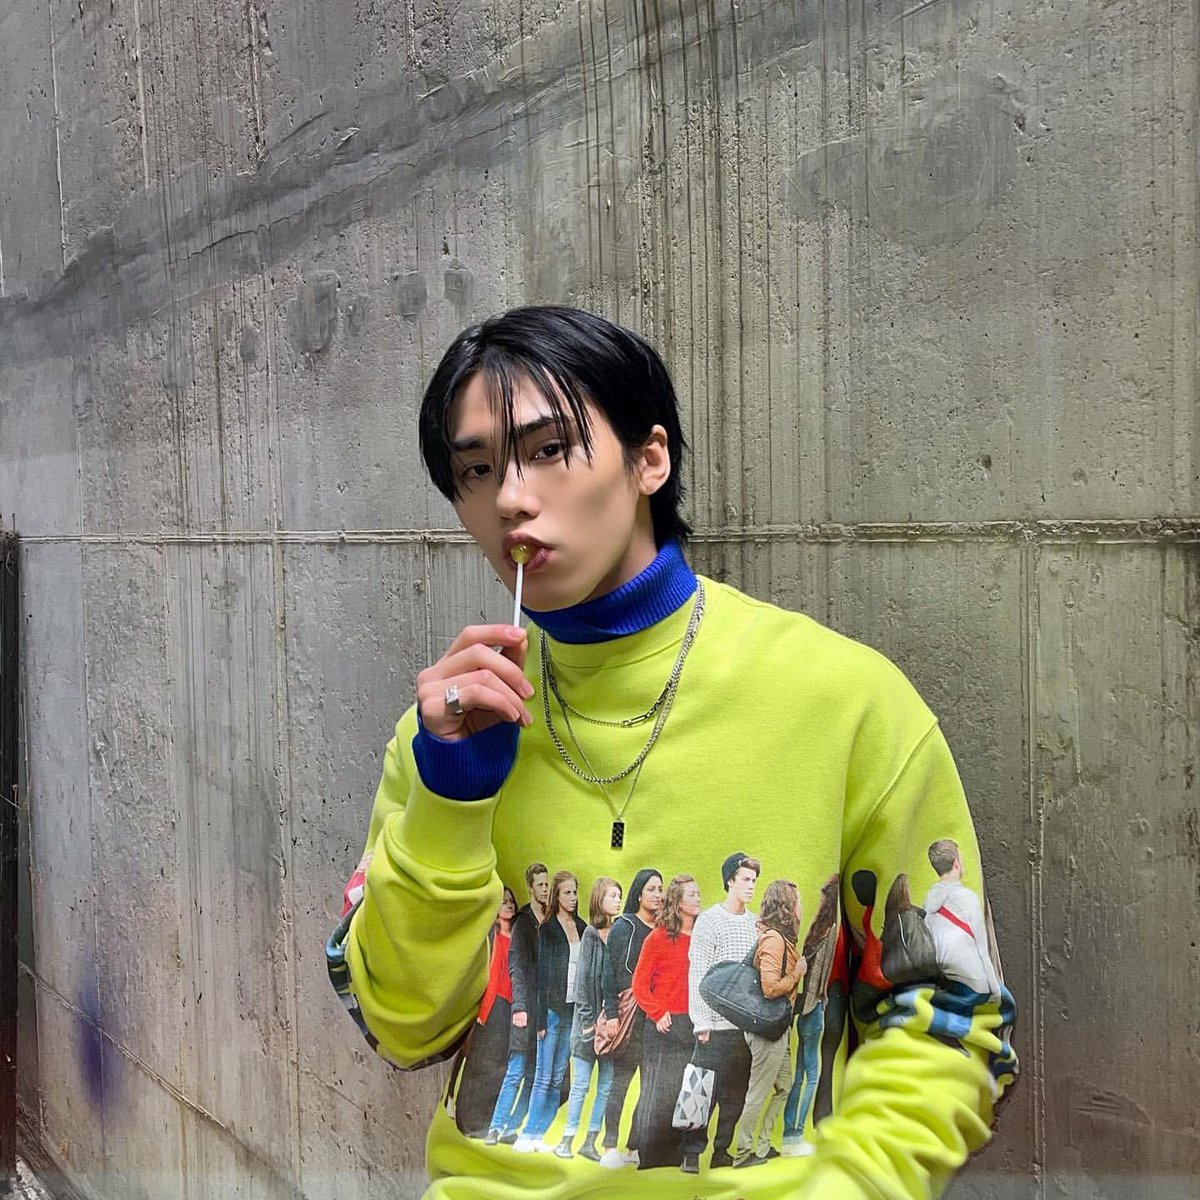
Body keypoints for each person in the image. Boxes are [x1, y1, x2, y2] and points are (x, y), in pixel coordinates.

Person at [327, 305, 1018, 1200]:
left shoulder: (844, 700)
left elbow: (952, 1017)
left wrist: (848, 1185)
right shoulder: (444, 737)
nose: (509, 499)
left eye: (548, 450)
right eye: (476, 470)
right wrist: (450, 802)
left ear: (649, 459)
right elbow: (402, 1026)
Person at [683, 852, 761, 1171]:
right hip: (712, 1026)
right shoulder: (709, 920)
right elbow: (697, 972)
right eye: (745, 879)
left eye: (754, 880)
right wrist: (701, 1020)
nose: (751, 885)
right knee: (700, 1090)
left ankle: (721, 1151)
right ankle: (690, 1154)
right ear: (730, 880)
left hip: (743, 1028)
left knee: (736, 1094)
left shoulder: (756, 924)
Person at [629, 874, 700, 1169]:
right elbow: (639, 984)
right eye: (692, 894)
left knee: (688, 1090)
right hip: (663, 1025)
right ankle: (651, 1155)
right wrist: (658, 1013)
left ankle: (681, 1154)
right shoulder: (657, 938)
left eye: (698, 893)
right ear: (678, 902)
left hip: (694, 1025)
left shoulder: (703, 938)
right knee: (658, 1090)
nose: (698, 898)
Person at [734, 879, 806, 1168]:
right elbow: (770, 988)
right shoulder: (774, 939)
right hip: (766, 1030)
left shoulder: (782, 939)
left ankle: (762, 1147)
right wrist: (797, 973)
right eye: (798, 901)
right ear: (787, 906)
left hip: (779, 1027)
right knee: (759, 1091)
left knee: (784, 1086)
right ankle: (742, 1154)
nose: (802, 907)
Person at [514, 871, 585, 1151]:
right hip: (552, 1012)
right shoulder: (548, 929)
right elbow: (542, 975)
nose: (572, 897)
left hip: (572, 1012)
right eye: (567, 892)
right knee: (543, 1076)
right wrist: (540, 1018)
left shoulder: (582, 927)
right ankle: (528, 1134)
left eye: (575, 892)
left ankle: (541, 1135)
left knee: (558, 1078)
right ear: (557, 895)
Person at [597, 867, 663, 1167]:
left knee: (650, 1086)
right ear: (638, 894)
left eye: (660, 889)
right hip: (628, 1015)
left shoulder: (663, 928)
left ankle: (635, 1146)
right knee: (621, 1082)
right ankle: (609, 1145)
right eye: (651, 889)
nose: (657, 895)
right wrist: (611, 1014)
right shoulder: (625, 926)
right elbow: (609, 973)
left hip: (654, 1018)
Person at [556, 877, 623, 1160]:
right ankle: (566, 1140)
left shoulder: (619, 934)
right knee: (581, 1086)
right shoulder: (591, 935)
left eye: (619, 896)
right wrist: (588, 1024)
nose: (617, 901)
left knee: (605, 1086)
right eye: (612, 896)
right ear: (599, 900)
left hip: (610, 1027)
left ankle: (590, 1142)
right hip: (587, 1028)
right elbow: (582, 984)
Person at [484, 863, 548, 1144]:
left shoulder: (551, 919)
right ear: (530, 888)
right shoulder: (523, 922)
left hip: (546, 1011)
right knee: (516, 1069)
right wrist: (520, 1007)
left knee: (535, 1075)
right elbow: (516, 968)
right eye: (540, 885)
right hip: (524, 1008)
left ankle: (511, 1127)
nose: (545, 889)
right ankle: (495, 1127)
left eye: (548, 885)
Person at [782, 874, 840, 1156]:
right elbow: (819, 975)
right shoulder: (832, 930)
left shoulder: (816, 928)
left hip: (802, 1006)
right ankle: (795, 1136)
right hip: (814, 1007)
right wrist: (819, 1002)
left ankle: (788, 1133)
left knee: (797, 1076)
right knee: (812, 1076)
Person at [922, 840, 1002, 998]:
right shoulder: (967, 898)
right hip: (973, 984)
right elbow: (982, 950)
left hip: (944, 984)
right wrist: (996, 991)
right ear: (957, 864)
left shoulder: (928, 901)